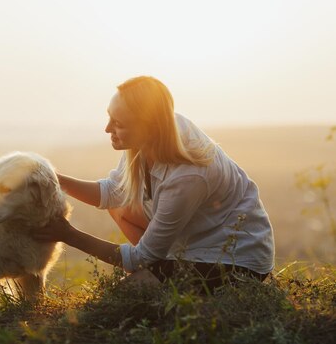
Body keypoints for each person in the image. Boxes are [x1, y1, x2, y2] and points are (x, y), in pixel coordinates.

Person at [32, 76, 274, 289]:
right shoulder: (157, 134)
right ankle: (159, 268)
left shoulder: (188, 177)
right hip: (194, 241)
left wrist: (69, 235)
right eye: (109, 118)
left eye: (119, 124)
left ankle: (167, 275)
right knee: (120, 208)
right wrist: (54, 179)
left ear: (147, 127)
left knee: (122, 299)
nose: (107, 129)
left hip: (232, 261)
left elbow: (140, 257)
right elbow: (112, 193)